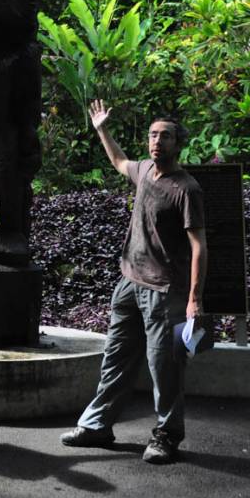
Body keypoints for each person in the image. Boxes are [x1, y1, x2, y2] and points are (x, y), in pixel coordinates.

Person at [61, 99, 207, 464]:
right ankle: (97, 426)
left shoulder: (186, 188)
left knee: (164, 366)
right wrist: (102, 130)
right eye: (153, 135)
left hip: (163, 290)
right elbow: (118, 161)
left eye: (166, 136)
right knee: (116, 358)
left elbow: (199, 246)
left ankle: (167, 436)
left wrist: (194, 298)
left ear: (178, 144)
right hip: (129, 282)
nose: (157, 141)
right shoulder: (143, 171)